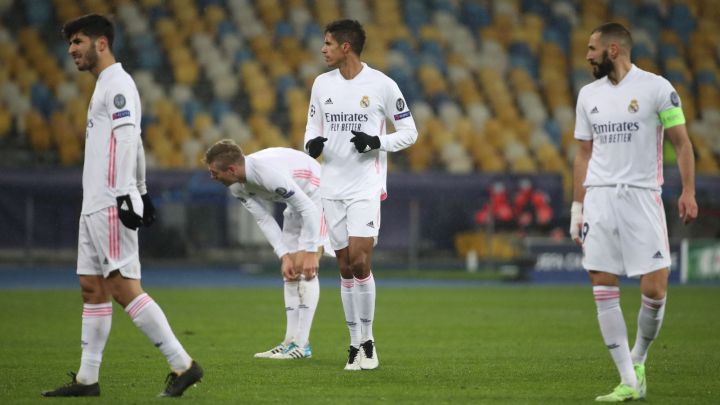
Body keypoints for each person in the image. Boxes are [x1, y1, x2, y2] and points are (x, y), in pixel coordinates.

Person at [42, 14, 202, 397]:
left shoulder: (118, 84)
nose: (71, 50)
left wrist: (125, 192)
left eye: (78, 41)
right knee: (92, 287)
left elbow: (129, 138)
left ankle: (183, 365)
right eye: (69, 44)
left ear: (101, 43)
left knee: (122, 285)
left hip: (109, 201)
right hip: (95, 202)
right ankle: (87, 379)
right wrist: (141, 187)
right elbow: (137, 141)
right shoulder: (105, 86)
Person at [570, 22, 697, 402]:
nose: (587, 56)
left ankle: (638, 359)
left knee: (655, 287)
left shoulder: (658, 88)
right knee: (602, 282)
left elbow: (683, 143)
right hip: (600, 198)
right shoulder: (587, 95)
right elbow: (582, 154)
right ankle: (628, 380)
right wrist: (577, 208)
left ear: (613, 50)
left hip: (643, 196)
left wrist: (688, 189)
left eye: (592, 49)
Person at [303, 19, 418, 371]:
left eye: (328, 44)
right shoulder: (322, 85)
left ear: (345, 47)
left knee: (359, 261)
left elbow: (410, 132)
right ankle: (354, 345)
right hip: (332, 187)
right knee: (343, 267)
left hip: (365, 186)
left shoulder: (382, 85)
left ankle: (368, 342)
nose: (323, 49)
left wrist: (377, 142)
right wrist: (311, 144)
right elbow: (311, 127)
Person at [204, 139, 327, 360]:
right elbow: (263, 218)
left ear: (231, 169)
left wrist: (310, 251)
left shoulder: (267, 174)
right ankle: (290, 342)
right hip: (297, 203)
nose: (212, 177)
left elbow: (308, 207)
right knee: (290, 272)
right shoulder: (235, 185)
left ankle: (302, 345)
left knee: (305, 268)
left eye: (214, 172)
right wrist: (283, 255)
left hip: (318, 194)